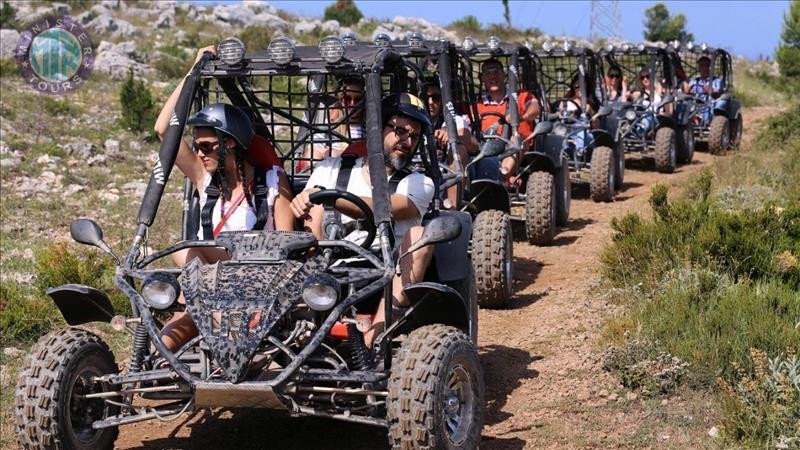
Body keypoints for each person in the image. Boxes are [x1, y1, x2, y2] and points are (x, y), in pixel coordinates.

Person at [154, 46, 295, 351]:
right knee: (163, 343)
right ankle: (164, 373)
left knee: (191, 253)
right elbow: (165, 131)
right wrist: (194, 71)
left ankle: (235, 339)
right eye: (198, 147)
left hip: (261, 284)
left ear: (230, 143)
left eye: (206, 146)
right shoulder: (207, 183)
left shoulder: (271, 182)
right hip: (211, 290)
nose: (200, 153)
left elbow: (286, 245)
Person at [289, 93, 436, 348]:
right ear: (377, 129)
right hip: (329, 268)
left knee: (421, 235)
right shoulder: (330, 169)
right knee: (311, 223)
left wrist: (325, 197)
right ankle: (301, 326)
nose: (407, 141)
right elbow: (309, 216)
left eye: (414, 136)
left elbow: (384, 208)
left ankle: (375, 336)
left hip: (385, 272)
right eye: (400, 131)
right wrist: (302, 202)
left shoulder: (419, 183)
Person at [475, 58, 541, 177]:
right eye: (488, 73)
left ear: (504, 75)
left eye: (496, 72)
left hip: (514, 144)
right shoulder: (476, 105)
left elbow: (535, 109)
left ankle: (502, 174)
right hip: (485, 147)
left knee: (516, 140)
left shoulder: (521, 96)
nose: (492, 77)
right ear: (482, 78)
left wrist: (520, 117)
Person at [426, 76, 479, 208]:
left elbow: (473, 145)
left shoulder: (454, 119)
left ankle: (452, 207)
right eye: (426, 97)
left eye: (436, 98)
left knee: (459, 149)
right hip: (419, 173)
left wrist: (452, 136)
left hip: (446, 175)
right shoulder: (412, 121)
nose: (430, 102)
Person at [297, 75, 366, 172]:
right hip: (329, 170)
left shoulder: (368, 125)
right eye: (347, 98)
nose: (352, 104)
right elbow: (314, 148)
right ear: (340, 99)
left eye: (358, 99)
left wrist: (337, 153)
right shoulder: (331, 120)